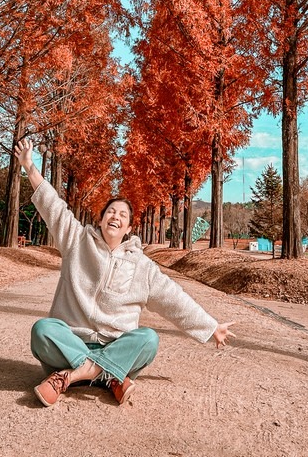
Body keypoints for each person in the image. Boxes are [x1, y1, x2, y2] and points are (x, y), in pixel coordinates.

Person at [14, 137, 236, 408]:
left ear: (129, 228)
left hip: (114, 345)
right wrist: (30, 167)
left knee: (148, 339)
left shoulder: (141, 266)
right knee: (43, 330)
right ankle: (109, 376)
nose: (115, 217)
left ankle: (73, 377)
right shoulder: (76, 240)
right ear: (101, 218)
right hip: (70, 345)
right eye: (110, 211)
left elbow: (173, 298)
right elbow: (53, 207)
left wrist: (210, 326)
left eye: (122, 215)